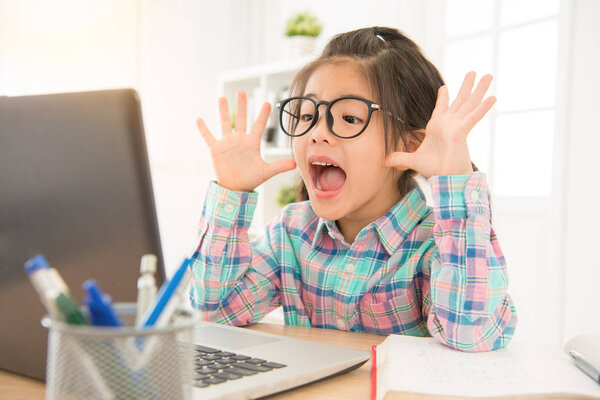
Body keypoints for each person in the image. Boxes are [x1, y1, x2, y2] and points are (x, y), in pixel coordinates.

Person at [190, 26, 517, 352]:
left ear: (411, 146)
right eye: (306, 115)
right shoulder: (291, 234)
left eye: (348, 118)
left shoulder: (433, 245)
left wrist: (456, 182)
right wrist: (231, 192)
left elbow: (470, 334)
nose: (317, 133)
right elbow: (216, 311)